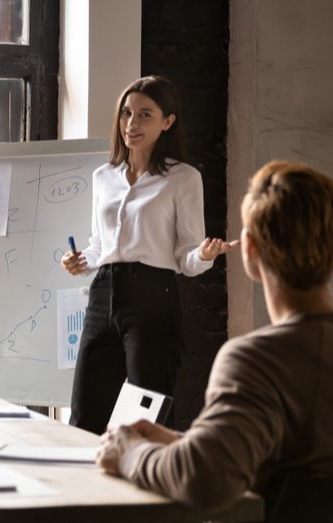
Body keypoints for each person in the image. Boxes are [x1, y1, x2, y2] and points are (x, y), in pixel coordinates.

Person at [96, 160, 333, 511]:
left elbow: (204, 481)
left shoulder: (255, 360)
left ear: (249, 248)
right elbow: (298, 461)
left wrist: (130, 453)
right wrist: (183, 444)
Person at [61, 75, 235, 434]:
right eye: (126, 114)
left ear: (167, 122)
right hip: (102, 294)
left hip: (153, 296)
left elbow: (186, 257)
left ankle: (153, 487)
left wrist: (204, 255)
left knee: (148, 414)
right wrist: (79, 262)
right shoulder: (102, 177)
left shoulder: (183, 179)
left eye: (144, 115)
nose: (131, 124)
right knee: (84, 415)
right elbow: (98, 245)